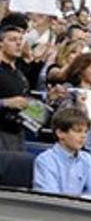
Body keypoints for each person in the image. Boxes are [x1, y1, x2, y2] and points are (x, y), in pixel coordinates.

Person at [32, 108, 91, 194]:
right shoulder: (45, 160)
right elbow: (51, 199)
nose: (83, 136)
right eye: (78, 131)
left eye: (85, 132)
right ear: (60, 133)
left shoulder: (86, 158)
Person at [0, 19, 40, 152]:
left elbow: (24, 102)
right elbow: (11, 102)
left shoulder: (19, 73)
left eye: (20, 40)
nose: (18, 43)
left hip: (18, 134)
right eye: (12, 40)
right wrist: (5, 103)